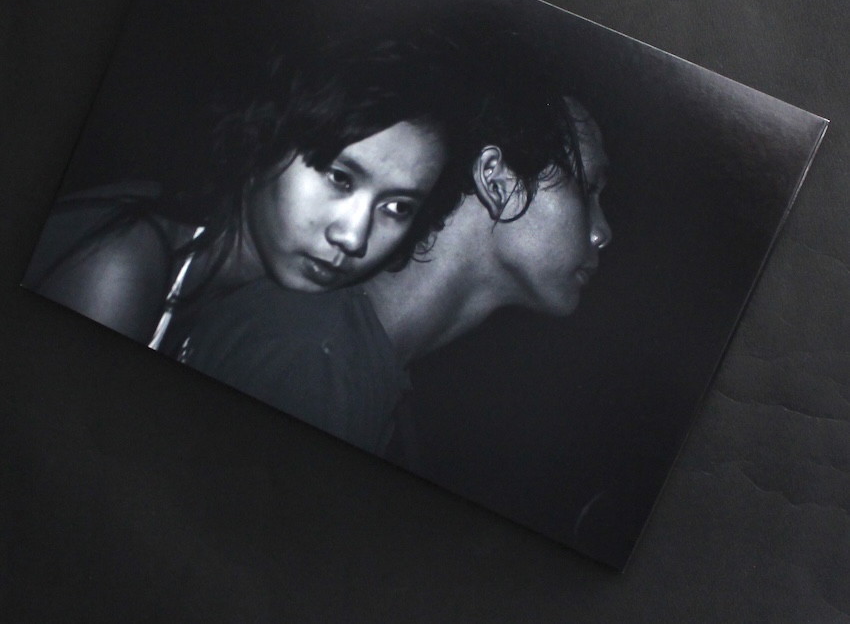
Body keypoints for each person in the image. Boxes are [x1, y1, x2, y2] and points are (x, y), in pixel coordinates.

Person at [176, 43, 613, 455]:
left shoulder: (364, 372)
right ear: (496, 182)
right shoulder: (312, 363)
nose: (602, 232)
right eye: (588, 188)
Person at [23, 28, 480, 351]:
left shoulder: (248, 306)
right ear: (267, 137)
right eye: (340, 178)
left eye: (397, 207)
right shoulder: (119, 267)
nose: (353, 237)